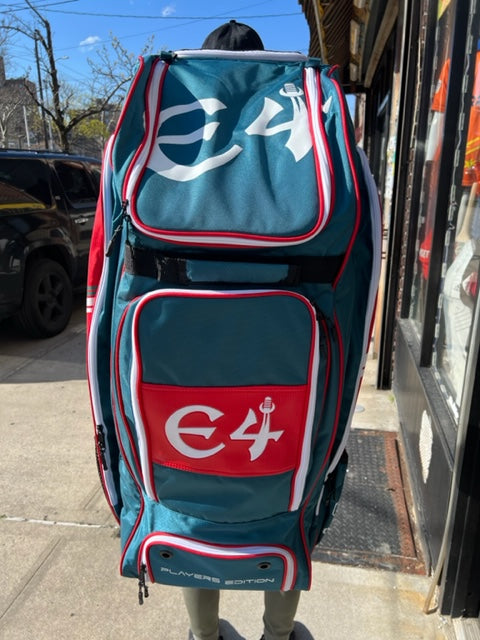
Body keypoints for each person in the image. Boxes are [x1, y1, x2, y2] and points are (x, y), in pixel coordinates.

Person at [180, 20, 301, 640]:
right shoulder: (305, 131)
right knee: (287, 499)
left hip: (181, 373)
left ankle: (205, 635)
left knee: (192, 501)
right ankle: (278, 634)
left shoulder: (172, 136)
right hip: (288, 365)